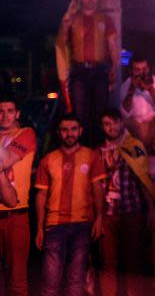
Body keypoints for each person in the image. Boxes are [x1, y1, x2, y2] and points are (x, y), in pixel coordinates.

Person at [35, 113, 106, 296]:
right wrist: (39, 228)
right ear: (59, 133)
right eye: (65, 130)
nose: (70, 133)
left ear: (80, 131)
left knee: (76, 281)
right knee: (50, 281)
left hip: (82, 224)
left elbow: (98, 189)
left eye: (73, 129)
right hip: (54, 225)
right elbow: (41, 195)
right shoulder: (48, 160)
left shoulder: (91, 156)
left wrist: (99, 218)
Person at [96, 108, 155, 296]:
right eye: (107, 123)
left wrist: (151, 210)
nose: (112, 127)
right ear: (102, 127)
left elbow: (144, 179)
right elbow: (96, 186)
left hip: (133, 210)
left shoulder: (134, 145)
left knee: (134, 263)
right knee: (108, 264)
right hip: (108, 213)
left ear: (122, 123)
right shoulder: (97, 151)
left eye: (115, 122)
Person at [57, 0, 119, 144]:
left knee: (101, 111)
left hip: (100, 70)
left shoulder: (105, 19)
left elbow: (112, 45)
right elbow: (62, 42)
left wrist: (114, 67)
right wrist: (65, 24)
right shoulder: (73, 18)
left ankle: (99, 147)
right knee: (79, 110)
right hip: (79, 70)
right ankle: (81, 146)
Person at [0, 93, 36, 296]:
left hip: (16, 215)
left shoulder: (26, 133)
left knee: (17, 281)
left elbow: (5, 161)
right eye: (0, 111)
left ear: (17, 114)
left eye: (9, 111)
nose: (4, 116)